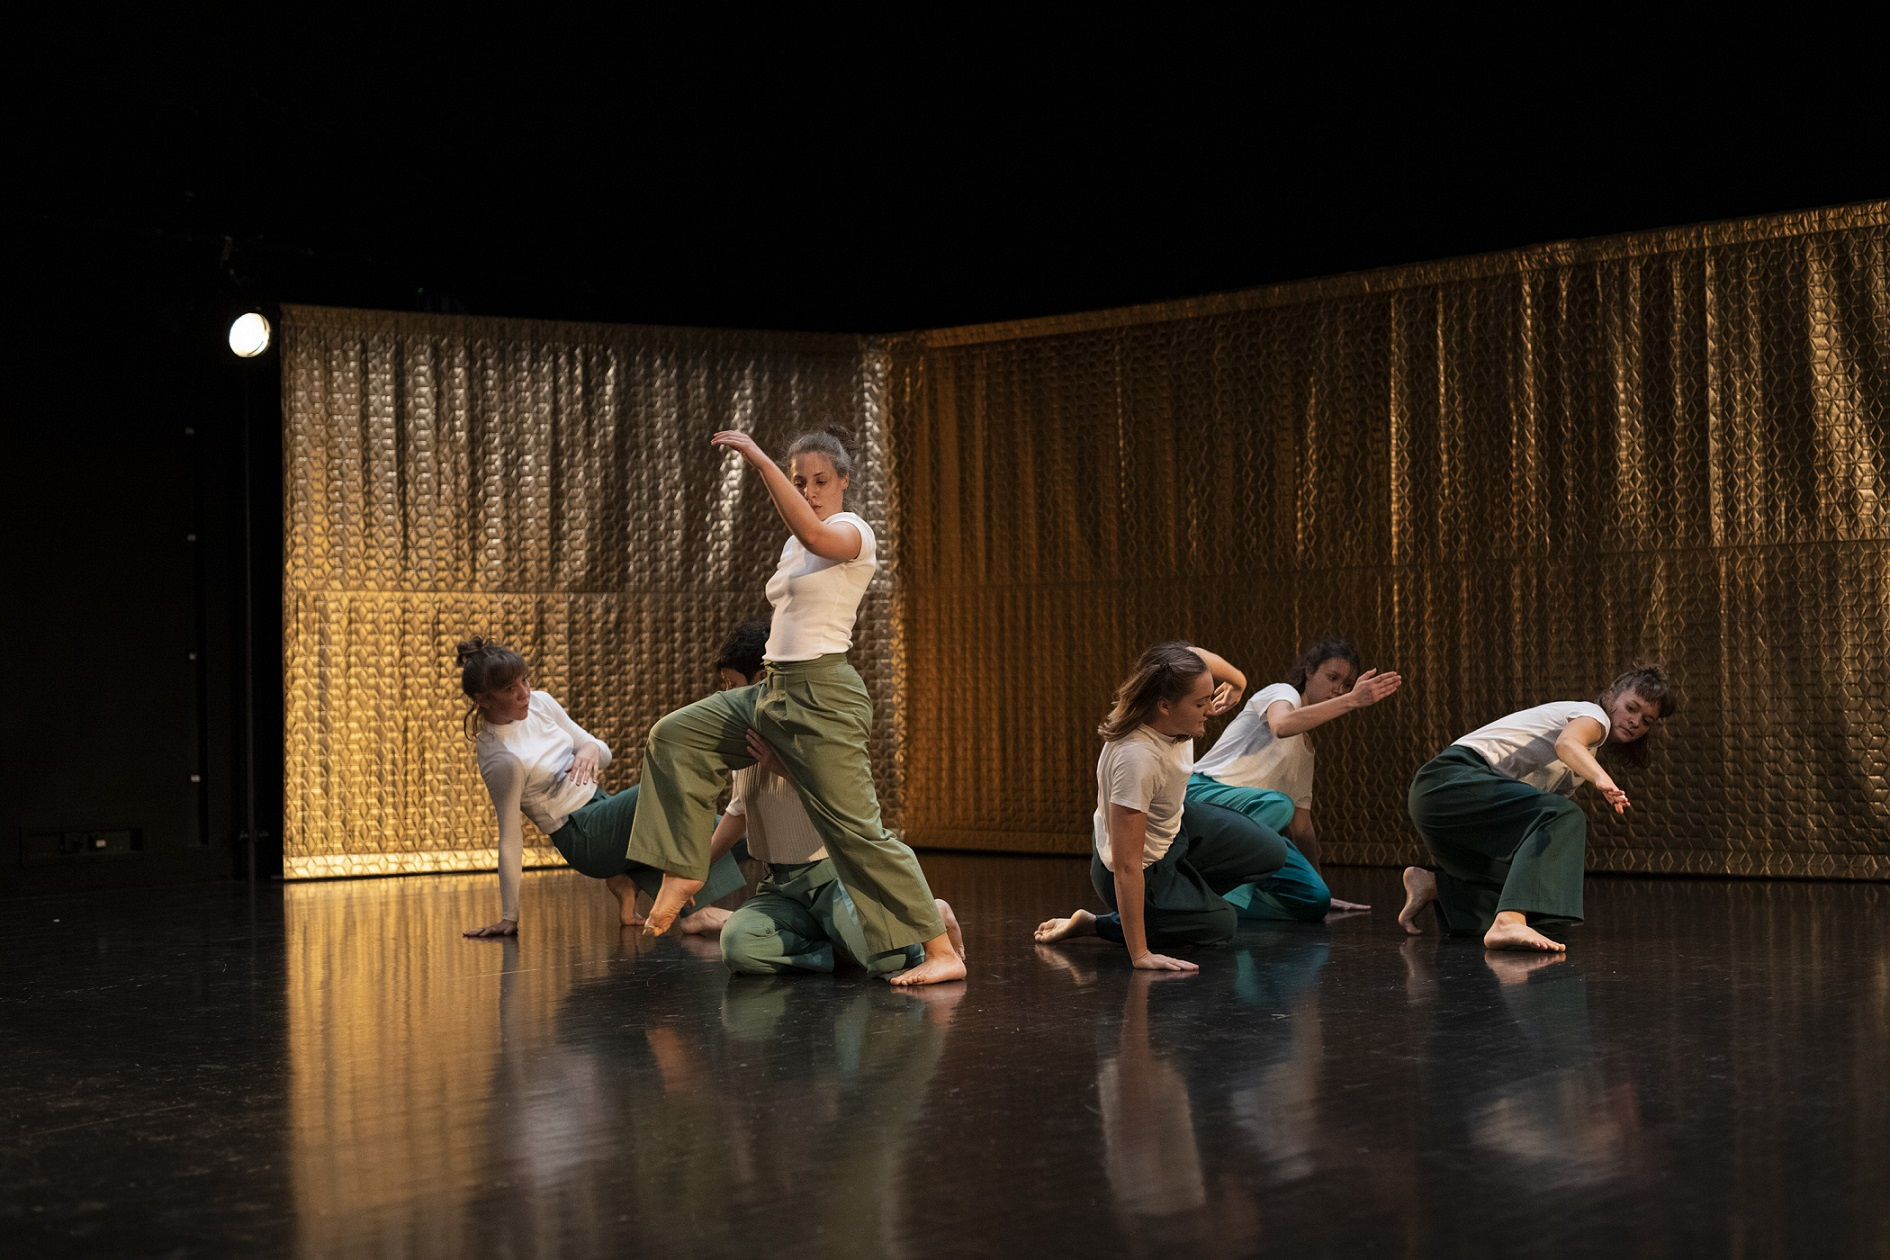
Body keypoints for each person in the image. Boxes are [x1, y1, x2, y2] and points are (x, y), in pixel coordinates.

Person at [625, 431, 967, 986]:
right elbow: (801, 539)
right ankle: (683, 872)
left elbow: (813, 531)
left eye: (820, 481)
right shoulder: (793, 547)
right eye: (799, 481)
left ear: (844, 481)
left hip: (822, 694)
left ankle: (938, 946)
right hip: (772, 689)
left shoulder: (853, 531)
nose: (809, 491)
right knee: (674, 735)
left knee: (859, 833)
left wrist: (761, 462)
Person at [705, 619, 966, 976]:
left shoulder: (812, 729)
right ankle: (841, 948)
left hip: (832, 877)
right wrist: (696, 870)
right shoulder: (748, 737)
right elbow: (738, 812)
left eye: (732, 685)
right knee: (739, 947)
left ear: (763, 678)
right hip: (780, 887)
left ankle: (929, 915)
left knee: (889, 959)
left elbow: (841, 801)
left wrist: (785, 768)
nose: (725, 694)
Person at [455, 636, 746, 939]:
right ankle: (697, 912)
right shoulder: (501, 758)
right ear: (483, 699)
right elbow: (510, 837)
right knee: (658, 791)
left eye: (524, 681)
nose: (524, 693)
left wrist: (589, 749)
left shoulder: (541, 703)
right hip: (582, 835)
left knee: (733, 836)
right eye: (509, 689)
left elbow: (602, 754)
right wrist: (509, 917)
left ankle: (628, 877)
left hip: (603, 806)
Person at [1034, 642, 1289, 972]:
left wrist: (1238, 682)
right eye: (1200, 703)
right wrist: (1141, 955)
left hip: (1177, 825)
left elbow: (1195, 655)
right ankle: (1099, 923)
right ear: (1165, 705)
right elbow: (1127, 865)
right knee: (1222, 924)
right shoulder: (1136, 758)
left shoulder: (1172, 686)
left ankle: (1180, 906)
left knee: (1272, 851)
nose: (1210, 710)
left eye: (1209, 698)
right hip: (1140, 866)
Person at [1398, 664, 1676, 952]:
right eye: (1631, 708)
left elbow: (1543, 826)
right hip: (1448, 782)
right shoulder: (1593, 716)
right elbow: (1566, 743)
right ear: (1611, 696)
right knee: (1566, 815)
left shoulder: (1581, 761)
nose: (1635, 722)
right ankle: (1508, 921)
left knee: (1545, 901)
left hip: (1455, 814)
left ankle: (1435, 887)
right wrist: (1601, 778)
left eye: (1646, 721)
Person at [1187, 636, 1401, 920]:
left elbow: (1302, 829)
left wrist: (1323, 885)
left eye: (1347, 685)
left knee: (1315, 899)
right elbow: (1282, 725)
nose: (1339, 689)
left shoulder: (1306, 752)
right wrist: (1352, 700)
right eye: (1333, 678)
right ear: (1309, 671)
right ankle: (1216, 896)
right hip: (1204, 796)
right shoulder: (1283, 693)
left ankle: (1223, 902)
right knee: (1278, 804)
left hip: (1253, 824)